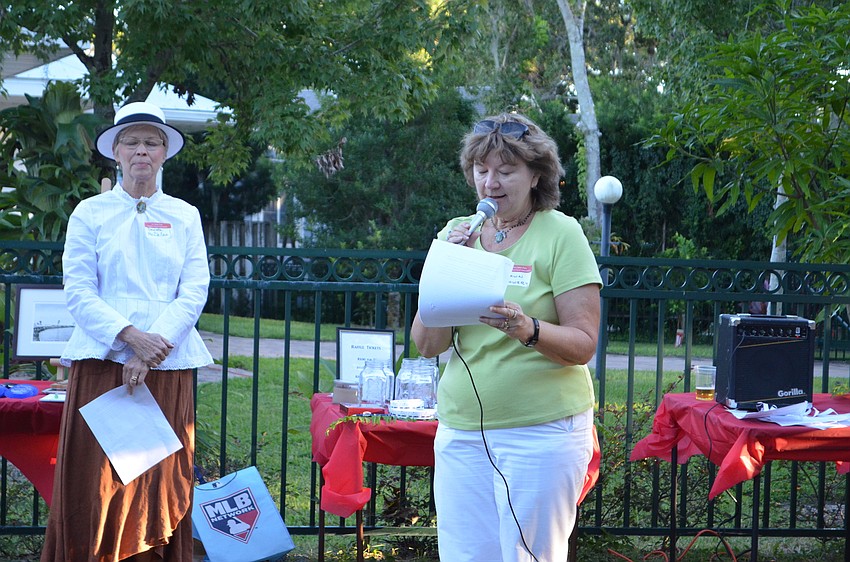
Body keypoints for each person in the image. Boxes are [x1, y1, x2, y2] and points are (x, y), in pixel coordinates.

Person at [412, 113, 602, 561]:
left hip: (541, 434)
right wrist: (444, 271)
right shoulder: (457, 234)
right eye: (482, 171)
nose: (490, 183)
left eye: (505, 170)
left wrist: (527, 328)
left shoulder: (562, 233)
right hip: (461, 432)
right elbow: (427, 345)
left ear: (537, 175)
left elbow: (583, 343)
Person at [41, 101, 213, 562]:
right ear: (116, 151)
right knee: (97, 484)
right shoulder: (89, 213)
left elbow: (195, 289)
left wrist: (151, 348)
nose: (142, 151)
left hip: (166, 363)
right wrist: (129, 338)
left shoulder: (185, 215)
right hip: (101, 363)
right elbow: (78, 290)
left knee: (156, 479)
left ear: (164, 153)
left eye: (151, 142)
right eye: (132, 142)